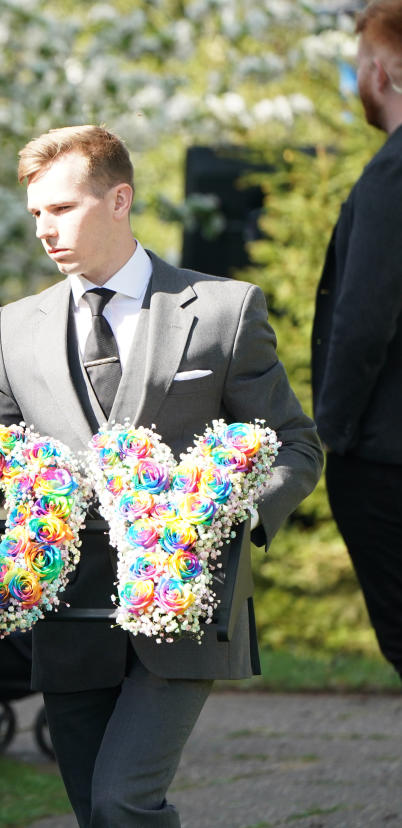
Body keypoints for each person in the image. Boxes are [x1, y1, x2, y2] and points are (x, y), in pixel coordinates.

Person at [0, 125, 322, 826]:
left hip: (189, 606)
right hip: (67, 611)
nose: (45, 229)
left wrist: (237, 513)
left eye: (63, 208)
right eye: (36, 212)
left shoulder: (223, 310)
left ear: (119, 200)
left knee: (122, 801)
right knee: (95, 811)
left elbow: (296, 444)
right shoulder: (15, 326)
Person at [312, 0, 402, 682]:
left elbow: (364, 319)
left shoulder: (392, 177)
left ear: (382, 71)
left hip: (386, 457)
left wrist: (334, 431)